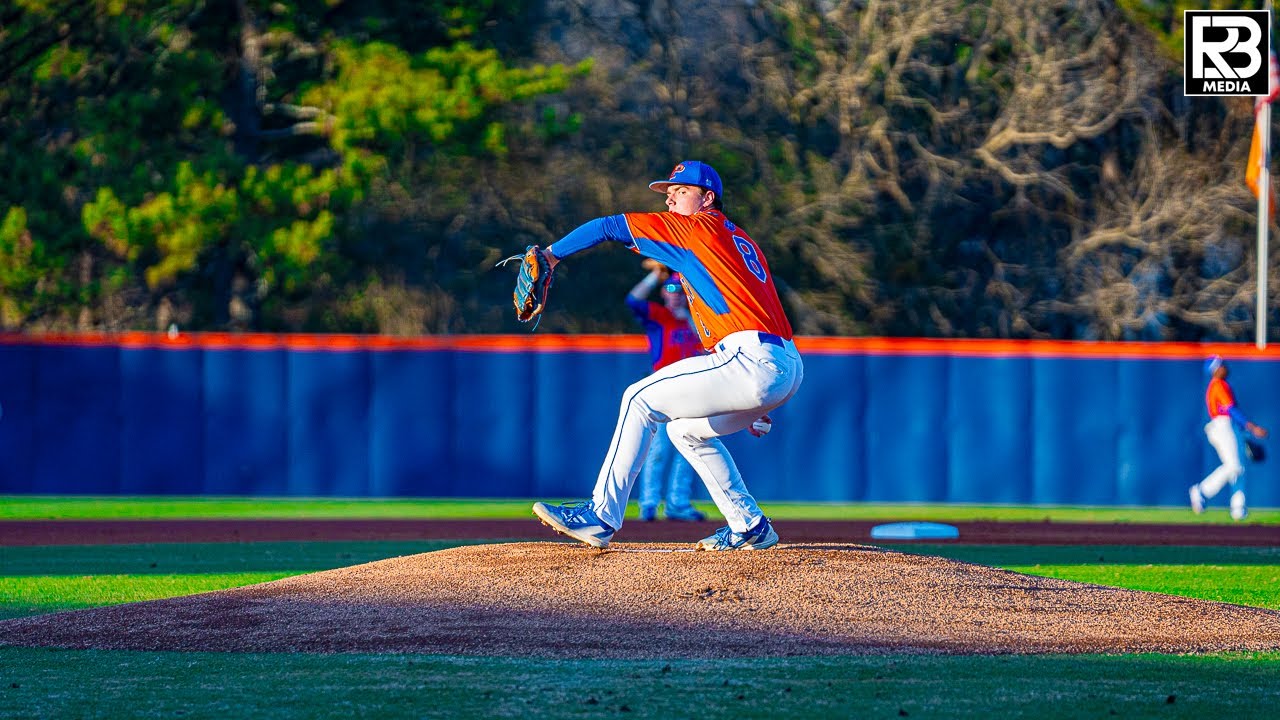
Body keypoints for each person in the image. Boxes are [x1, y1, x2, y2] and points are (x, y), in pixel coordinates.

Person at [531, 160, 802, 551]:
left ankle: (600, 516)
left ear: (708, 198)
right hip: (781, 362)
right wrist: (755, 395)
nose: (671, 201)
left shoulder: (697, 229)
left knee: (638, 399)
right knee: (684, 430)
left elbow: (608, 225)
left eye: (681, 192)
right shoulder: (735, 239)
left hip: (752, 360)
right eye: (669, 194)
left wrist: (551, 255)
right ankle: (749, 525)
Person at [626, 262, 707, 522]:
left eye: (680, 290)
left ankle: (678, 503)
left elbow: (710, 347)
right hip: (664, 385)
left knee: (691, 445)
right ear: (664, 292)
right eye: (670, 289)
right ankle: (648, 504)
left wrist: (692, 316)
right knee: (659, 448)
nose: (675, 294)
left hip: (693, 389)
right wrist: (654, 275)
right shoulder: (661, 317)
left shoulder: (696, 322)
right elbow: (632, 300)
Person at [1190, 355, 1267, 521]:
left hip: (1229, 426)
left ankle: (1238, 508)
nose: (1225, 366)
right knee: (1234, 466)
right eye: (1221, 365)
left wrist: (1243, 433)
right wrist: (1251, 427)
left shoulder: (1222, 385)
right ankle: (1201, 490)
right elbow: (1230, 409)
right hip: (1222, 425)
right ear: (1215, 370)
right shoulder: (1218, 385)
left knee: (1239, 468)